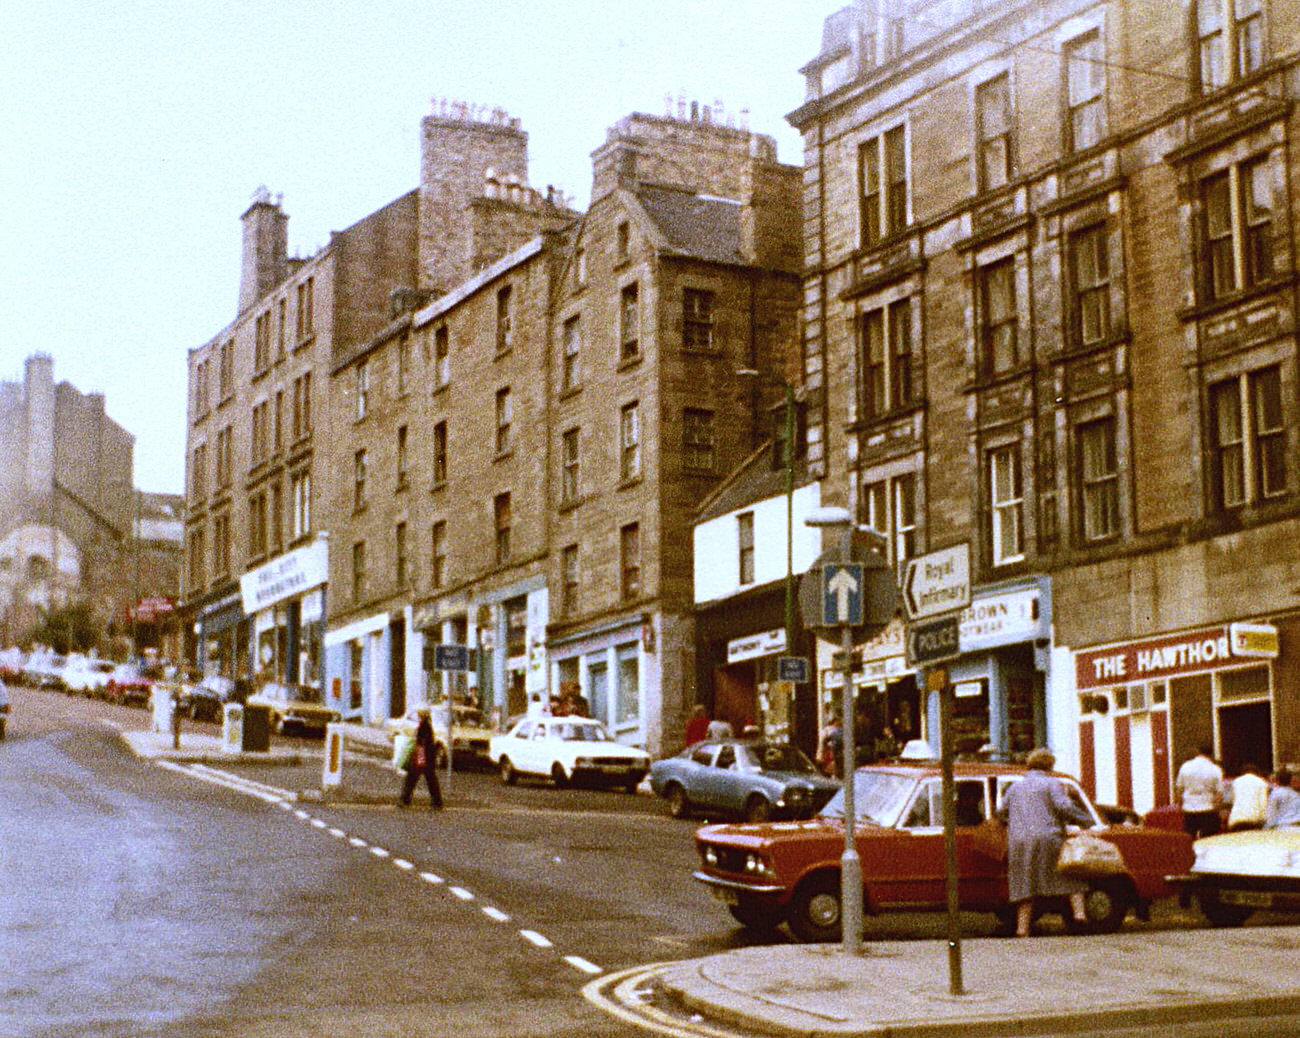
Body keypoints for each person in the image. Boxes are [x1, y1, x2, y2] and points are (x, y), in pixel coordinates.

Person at [996, 747, 1093, 937]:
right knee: (1070, 873)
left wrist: (1015, 824)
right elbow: (1063, 806)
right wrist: (1086, 820)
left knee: (1024, 883)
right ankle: (1079, 915)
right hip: (1049, 837)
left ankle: (1022, 928)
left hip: (1019, 840)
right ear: (1049, 766)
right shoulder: (1052, 783)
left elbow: (1001, 812)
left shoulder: (1015, 787)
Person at [1174, 744, 1224, 839]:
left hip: (1189, 808)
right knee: (1209, 839)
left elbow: (1179, 789)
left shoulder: (1185, 767)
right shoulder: (1215, 769)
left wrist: (1181, 806)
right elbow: (1219, 794)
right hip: (1208, 808)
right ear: (1211, 754)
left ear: (1198, 752)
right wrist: (1217, 811)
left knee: (1190, 838)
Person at [398, 711, 443, 810]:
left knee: (411, 779)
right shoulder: (427, 727)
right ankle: (437, 802)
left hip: (421, 757)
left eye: (419, 717)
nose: (418, 719)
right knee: (431, 781)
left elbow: (421, 743)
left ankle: (405, 800)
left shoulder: (423, 728)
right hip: (428, 759)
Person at [1226, 763, 1269, 831]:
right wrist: (1263, 820)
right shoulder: (1261, 783)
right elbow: (1263, 803)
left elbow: (1231, 800)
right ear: (1257, 773)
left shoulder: (1236, 782)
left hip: (1236, 818)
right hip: (1253, 818)